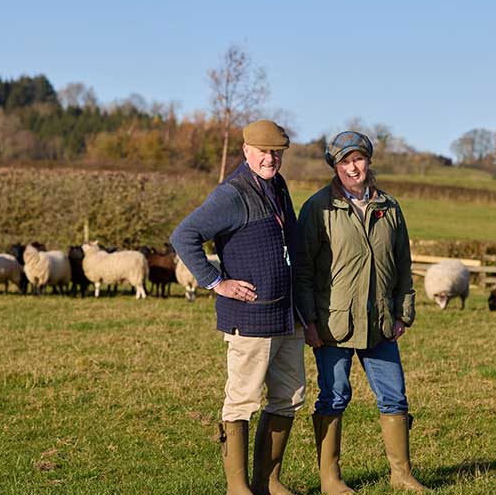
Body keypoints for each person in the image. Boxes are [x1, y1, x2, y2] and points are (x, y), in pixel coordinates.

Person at [170, 119, 304, 495]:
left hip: (286, 314)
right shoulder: (232, 194)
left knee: (289, 398)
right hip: (251, 317)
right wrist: (217, 282)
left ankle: (268, 482)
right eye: (263, 152)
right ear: (246, 150)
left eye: (276, 153)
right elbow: (184, 235)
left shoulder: (278, 186)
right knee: (242, 401)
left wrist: (305, 311)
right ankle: (238, 487)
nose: (270, 159)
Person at [294, 131, 427, 493]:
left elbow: (402, 264)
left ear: (368, 161)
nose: (353, 168)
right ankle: (330, 479)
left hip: (380, 322)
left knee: (395, 396)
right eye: (345, 162)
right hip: (333, 323)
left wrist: (402, 313)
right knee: (334, 396)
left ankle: (401, 475)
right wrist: (309, 321)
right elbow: (303, 270)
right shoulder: (318, 208)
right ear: (335, 167)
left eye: (358, 159)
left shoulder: (389, 207)